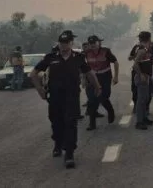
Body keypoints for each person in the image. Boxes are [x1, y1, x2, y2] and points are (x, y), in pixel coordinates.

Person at [30, 30, 101, 168]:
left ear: (71, 43)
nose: (64, 45)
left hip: (72, 96)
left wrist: (97, 86)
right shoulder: (51, 57)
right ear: (59, 43)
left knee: (70, 123)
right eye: (61, 43)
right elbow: (33, 74)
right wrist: (40, 90)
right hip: (55, 97)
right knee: (56, 122)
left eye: (66, 43)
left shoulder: (78, 57)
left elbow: (89, 73)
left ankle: (69, 153)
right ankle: (58, 143)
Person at [84, 35, 119, 131]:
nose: (92, 45)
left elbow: (115, 62)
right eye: (90, 43)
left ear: (99, 43)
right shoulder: (86, 53)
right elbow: (83, 67)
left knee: (104, 97)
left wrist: (116, 76)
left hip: (105, 77)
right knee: (92, 99)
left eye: (94, 43)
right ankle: (92, 123)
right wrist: (84, 79)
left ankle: (110, 111)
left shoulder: (106, 51)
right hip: (92, 77)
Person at [133, 31, 153, 130]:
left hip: (146, 77)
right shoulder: (142, 50)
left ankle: (144, 118)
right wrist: (141, 74)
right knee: (141, 100)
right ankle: (139, 122)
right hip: (142, 78)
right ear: (149, 38)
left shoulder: (145, 49)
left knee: (145, 98)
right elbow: (135, 64)